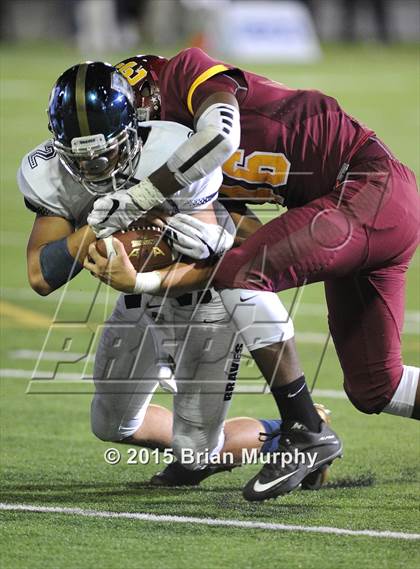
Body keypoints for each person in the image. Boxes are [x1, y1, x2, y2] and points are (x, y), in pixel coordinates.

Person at [88, 48, 418, 502]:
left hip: (366, 185)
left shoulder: (185, 73)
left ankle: (305, 430)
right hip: (353, 205)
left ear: (150, 88)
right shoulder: (179, 161)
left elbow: (220, 138)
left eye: (137, 103)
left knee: (243, 275)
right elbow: (250, 234)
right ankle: (286, 432)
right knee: (377, 386)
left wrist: (141, 206)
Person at [18, 61, 330, 491]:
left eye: (105, 151)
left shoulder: (171, 150)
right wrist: (102, 224)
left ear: (134, 127)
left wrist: (193, 239)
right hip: (138, 302)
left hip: (201, 305)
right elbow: (40, 275)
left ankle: (287, 435)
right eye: (80, 158)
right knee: (111, 425)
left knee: (198, 453)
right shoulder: (46, 171)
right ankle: (257, 435)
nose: (95, 168)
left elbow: (227, 260)